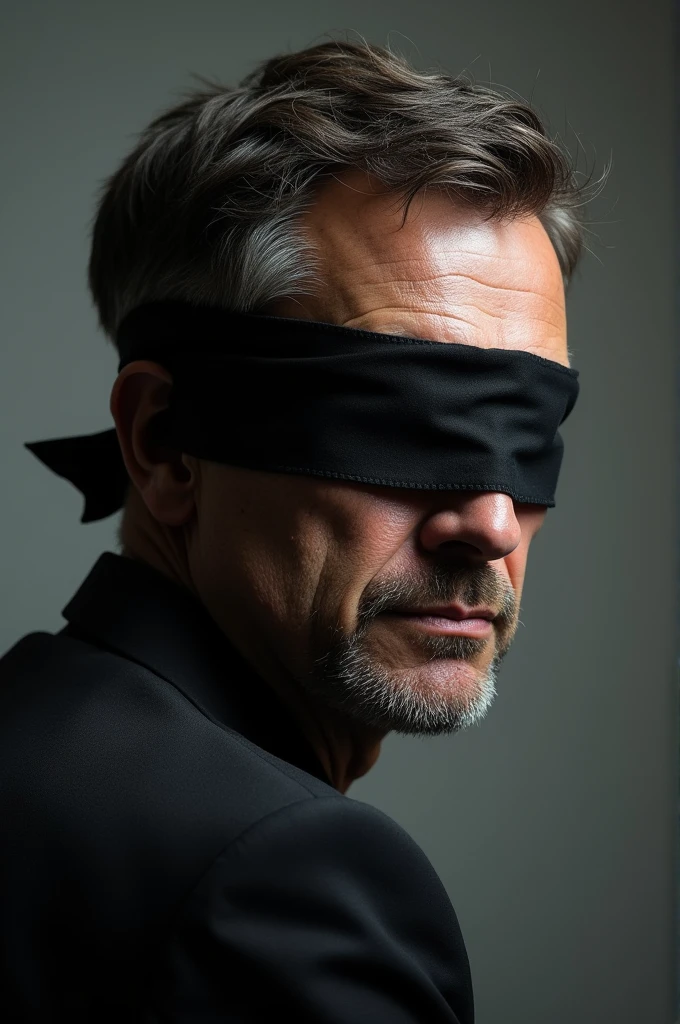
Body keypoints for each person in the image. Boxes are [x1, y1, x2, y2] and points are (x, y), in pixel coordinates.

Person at [1, 38, 600, 1023]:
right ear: (164, 446)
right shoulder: (279, 879)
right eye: (398, 422)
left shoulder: (30, 738)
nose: (489, 523)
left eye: (527, 433)